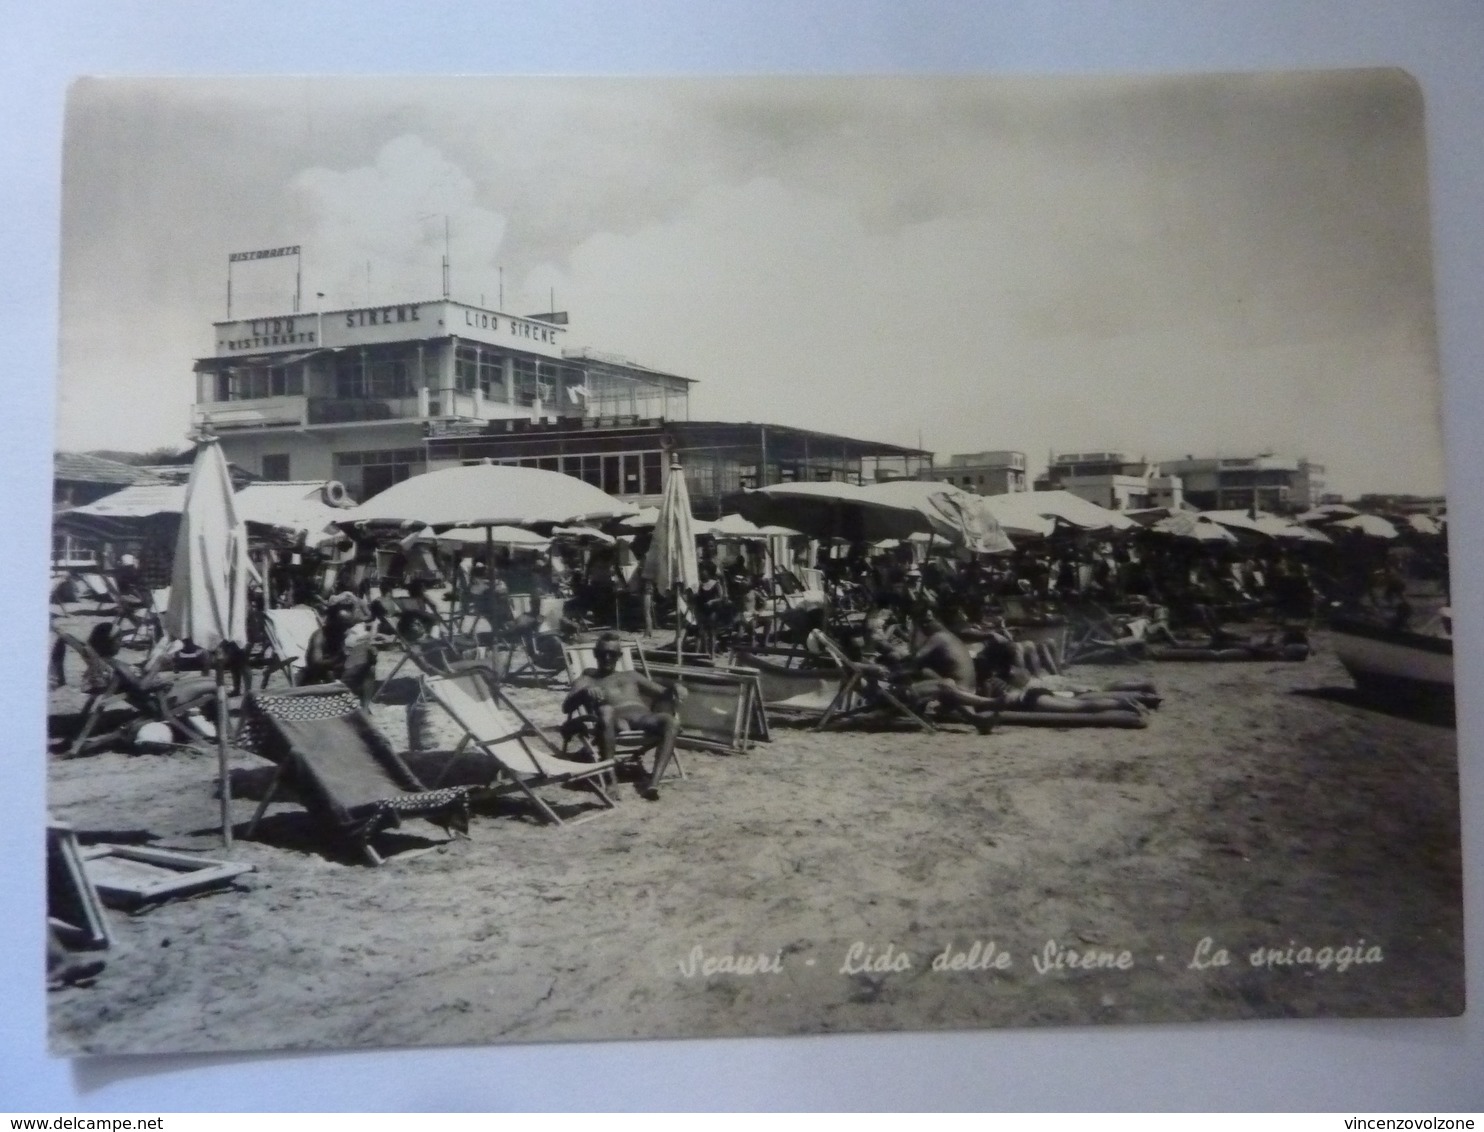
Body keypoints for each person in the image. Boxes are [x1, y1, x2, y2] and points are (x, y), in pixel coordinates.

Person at [562, 633, 687, 800]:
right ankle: (610, 779)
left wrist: (676, 687)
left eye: (612, 654)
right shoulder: (586, 680)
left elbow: (663, 693)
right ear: (595, 654)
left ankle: (653, 784)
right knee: (606, 710)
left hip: (643, 718)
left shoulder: (631, 675)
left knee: (670, 721)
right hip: (614, 722)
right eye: (602, 653)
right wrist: (583, 693)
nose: (607, 657)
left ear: (619, 656)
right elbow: (566, 707)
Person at [300, 595, 379, 704]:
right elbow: (315, 664)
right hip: (321, 677)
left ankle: (364, 708)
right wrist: (339, 658)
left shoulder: (342, 629)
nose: (345, 629)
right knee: (330, 673)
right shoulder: (319, 636)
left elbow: (367, 618)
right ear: (332, 621)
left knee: (369, 667)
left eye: (346, 626)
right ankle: (341, 703)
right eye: (342, 625)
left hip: (339, 672)